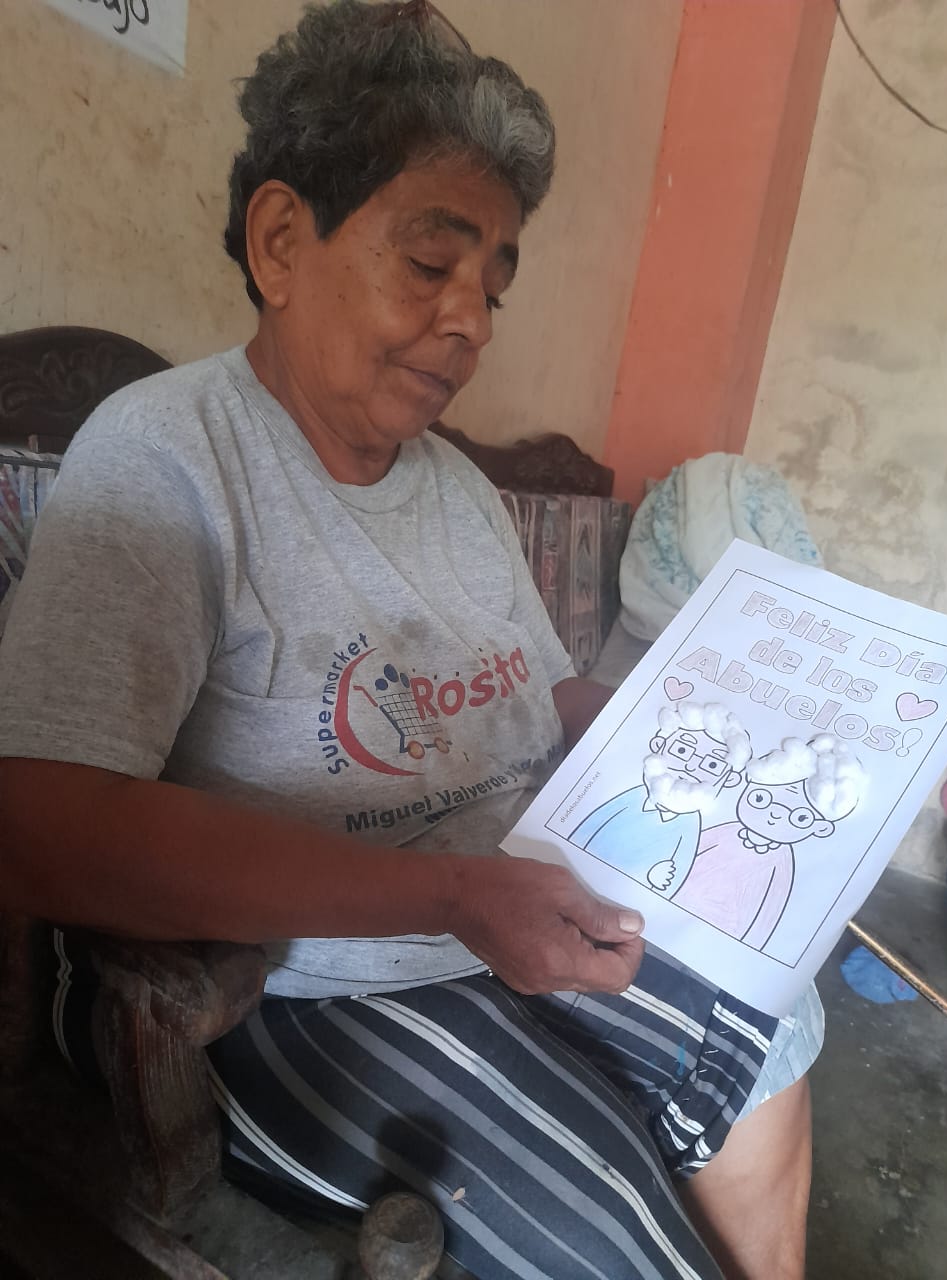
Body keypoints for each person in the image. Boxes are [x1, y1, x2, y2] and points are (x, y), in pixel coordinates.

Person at [0, 4, 822, 1277]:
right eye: (431, 264)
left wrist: (689, 736)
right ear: (282, 241)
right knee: (612, 1219)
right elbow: (40, 822)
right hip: (296, 985)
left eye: (492, 287)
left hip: (505, 902)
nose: (472, 322)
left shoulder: (456, 490)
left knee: (767, 1023)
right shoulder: (167, 458)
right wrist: (451, 896)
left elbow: (542, 693)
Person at [674, 735, 865, 951]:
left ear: (820, 828)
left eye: (800, 817)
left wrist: (749, 948)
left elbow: (769, 908)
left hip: (724, 933)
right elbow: (685, 854)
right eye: (761, 798)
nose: (774, 814)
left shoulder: (779, 861)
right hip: (676, 903)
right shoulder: (726, 832)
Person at [568, 702, 749, 894]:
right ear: (658, 746)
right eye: (682, 750)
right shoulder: (633, 797)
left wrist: (655, 880)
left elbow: (680, 868)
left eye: (712, 765)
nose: (690, 767)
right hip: (573, 873)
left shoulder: (689, 824)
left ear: (729, 779)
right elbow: (587, 828)